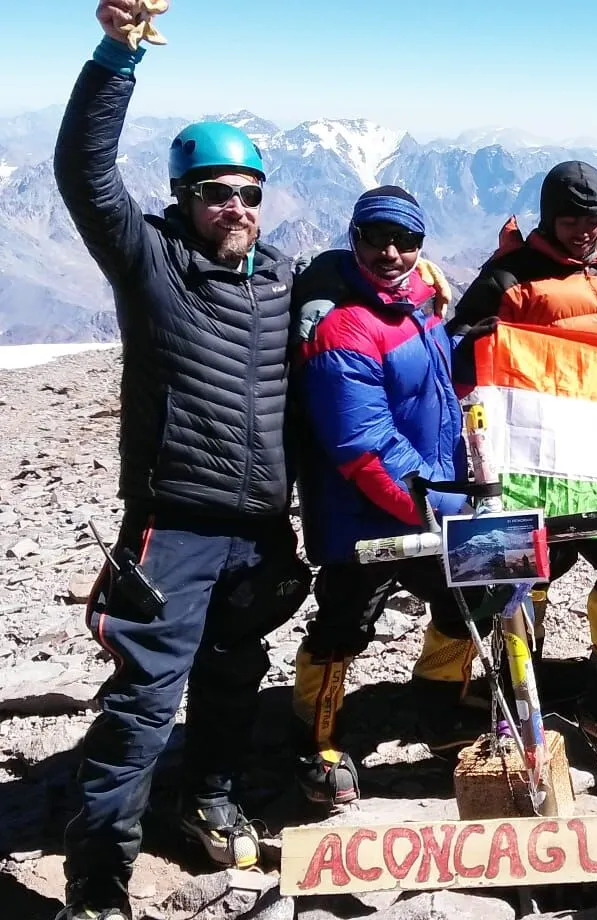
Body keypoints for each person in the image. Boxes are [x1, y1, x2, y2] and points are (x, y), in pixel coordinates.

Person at [53, 2, 311, 917]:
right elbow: (84, 173)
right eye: (214, 191)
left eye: (247, 190)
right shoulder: (148, 258)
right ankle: (97, 884)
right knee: (141, 704)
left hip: (258, 530)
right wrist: (116, 55)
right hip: (175, 527)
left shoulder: (283, 275)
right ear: (183, 196)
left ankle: (208, 796)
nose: (233, 206)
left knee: (235, 676)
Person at [449, 160, 597, 770]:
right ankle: (510, 694)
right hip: (537, 456)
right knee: (532, 571)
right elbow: (461, 345)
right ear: (547, 216)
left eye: (594, 217)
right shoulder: (511, 275)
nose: (584, 228)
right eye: (571, 216)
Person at [292, 186, 488, 805]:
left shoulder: (415, 306)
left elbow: (424, 383)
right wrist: (446, 509)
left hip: (424, 508)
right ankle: (316, 738)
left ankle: (437, 704)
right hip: (367, 521)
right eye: (378, 236)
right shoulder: (344, 326)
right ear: (355, 237)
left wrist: (461, 347)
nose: (392, 251)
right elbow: (365, 446)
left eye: (405, 240)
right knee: (345, 624)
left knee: (469, 599)